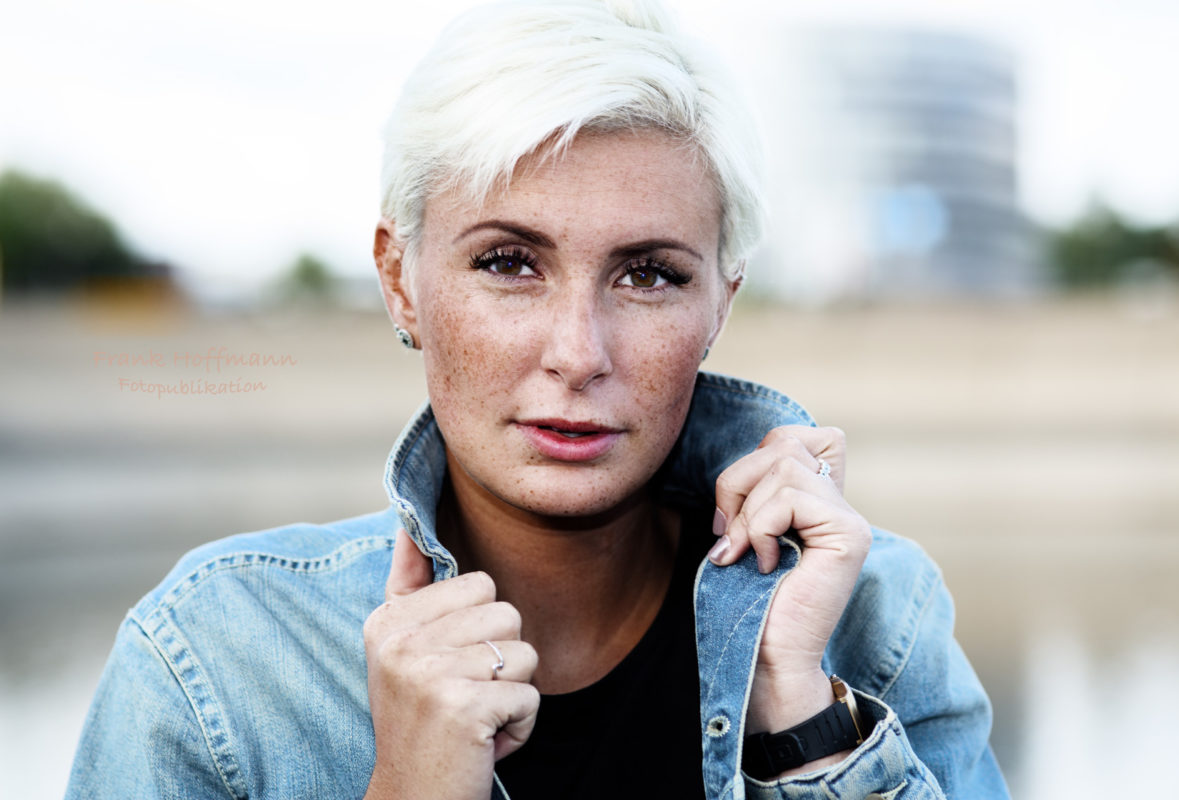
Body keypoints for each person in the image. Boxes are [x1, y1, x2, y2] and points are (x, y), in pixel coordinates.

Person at [66, 1, 1009, 798]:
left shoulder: (875, 612)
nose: (577, 354)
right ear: (400, 280)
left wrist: (804, 722)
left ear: (722, 300)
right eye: (509, 263)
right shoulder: (212, 656)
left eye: (647, 275)